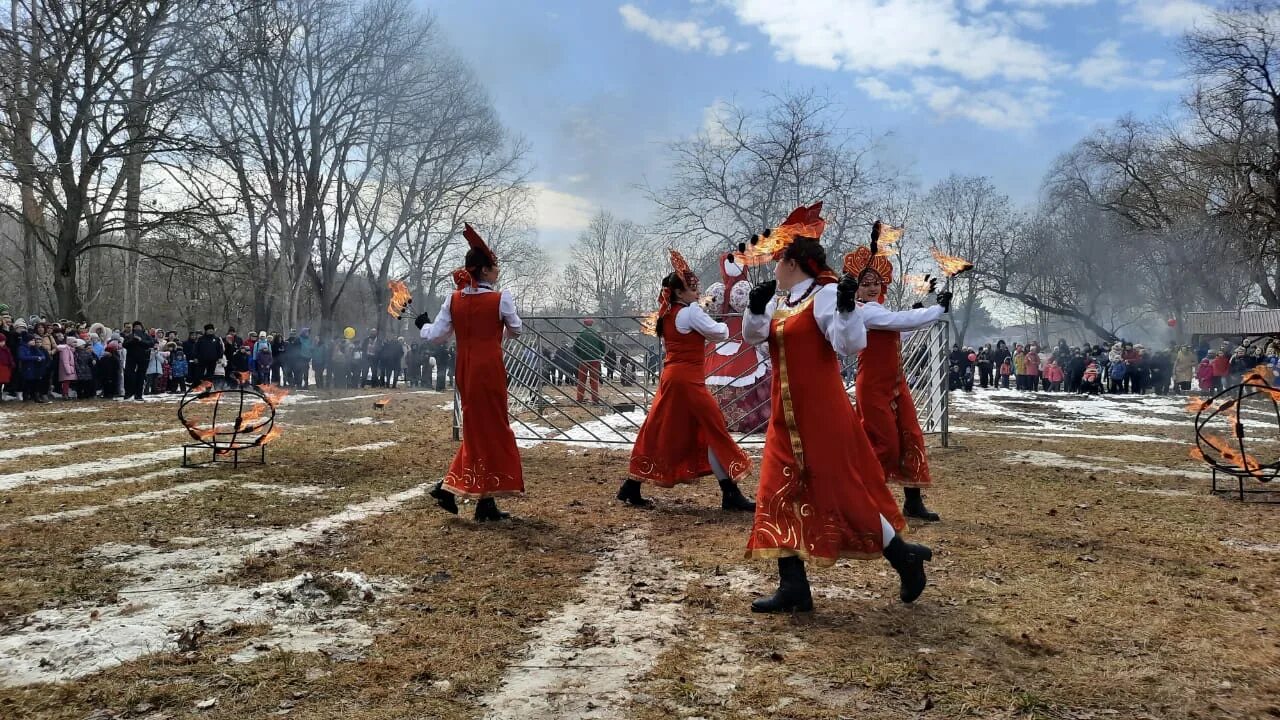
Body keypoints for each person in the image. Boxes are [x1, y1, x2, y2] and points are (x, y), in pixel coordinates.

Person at [739, 203, 932, 613]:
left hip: (823, 417)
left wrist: (846, 309)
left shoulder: (825, 295)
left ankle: (903, 557)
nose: (773, 267)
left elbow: (850, 344)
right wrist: (755, 309)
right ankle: (793, 586)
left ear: (792, 262)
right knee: (775, 493)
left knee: (844, 496)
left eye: (778, 260)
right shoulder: (783, 298)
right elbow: (755, 337)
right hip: (785, 415)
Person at [620, 249, 755, 512]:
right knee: (715, 426)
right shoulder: (691, 312)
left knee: (659, 428)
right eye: (692, 289)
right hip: (688, 381)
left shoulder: (669, 314)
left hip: (673, 377)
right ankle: (730, 492)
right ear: (680, 293)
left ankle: (632, 485)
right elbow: (719, 332)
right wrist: (723, 319)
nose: (697, 292)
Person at [844, 223, 953, 524]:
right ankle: (864, 499)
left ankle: (913, 502)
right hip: (873, 388)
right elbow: (899, 321)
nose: (872, 287)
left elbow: (898, 331)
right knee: (884, 444)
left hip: (896, 385)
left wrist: (922, 309)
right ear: (855, 287)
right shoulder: (863, 311)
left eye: (876, 282)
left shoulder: (879, 313)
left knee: (911, 439)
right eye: (865, 283)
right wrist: (935, 310)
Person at [418, 223, 524, 522]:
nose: (498, 271)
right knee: (489, 431)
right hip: (489, 368)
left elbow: (436, 335)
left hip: (465, 369)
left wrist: (422, 326)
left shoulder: (453, 299)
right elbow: (517, 330)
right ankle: (448, 489)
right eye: (495, 267)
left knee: (481, 430)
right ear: (485, 271)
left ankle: (484, 503)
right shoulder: (500, 298)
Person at [574, 319, 605, 404]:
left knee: (582, 380)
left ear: (584, 325)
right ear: (592, 324)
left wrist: (579, 356)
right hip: (595, 359)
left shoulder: (581, 334)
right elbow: (603, 346)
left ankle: (580, 398)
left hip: (584, 360)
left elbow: (575, 347)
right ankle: (595, 399)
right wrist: (600, 354)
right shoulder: (597, 334)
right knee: (594, 380)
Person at [0, 335, 14, 401]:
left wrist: (11, 363)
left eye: (4, 341)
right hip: (1, 367)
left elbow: (9, 357)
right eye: (1, 341)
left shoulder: (6, 349)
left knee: (2, 383)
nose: (3, 343)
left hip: (4, 368)